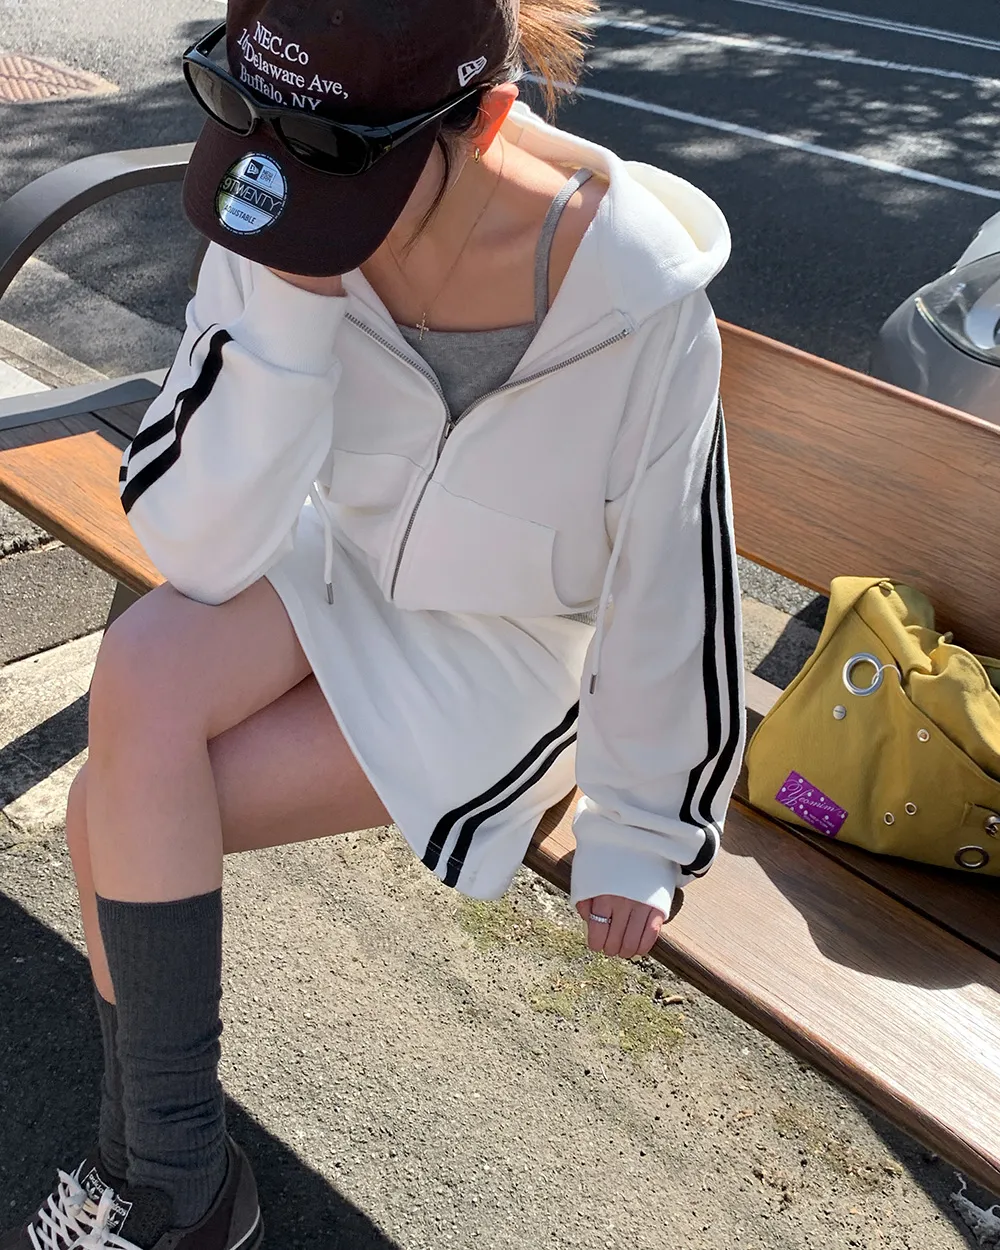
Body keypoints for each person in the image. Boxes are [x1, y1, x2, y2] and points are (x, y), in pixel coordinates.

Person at [3, 0, 743, 1246]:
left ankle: (162, 1173)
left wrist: (642, 830)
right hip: (333, 561)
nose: (284, 180)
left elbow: (674, 574)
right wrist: (291, 310)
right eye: (245, 111)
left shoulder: (634, 297)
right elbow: (199, 546)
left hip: (502, 641)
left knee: (111, 810)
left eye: (337, 156)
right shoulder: (279, 195)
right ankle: (173, 1174)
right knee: (145, 663)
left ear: (485, 117)